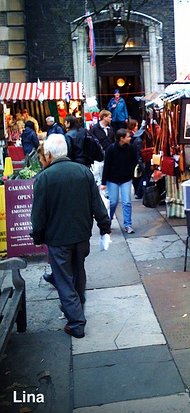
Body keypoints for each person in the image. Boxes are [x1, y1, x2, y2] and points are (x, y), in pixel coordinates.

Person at [30, 134, 111, 338]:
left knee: (64, 279)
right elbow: (97, 204)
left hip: (58, 238)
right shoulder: (83, 172)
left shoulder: (44, 178)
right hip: (82, 235)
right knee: (78, 273)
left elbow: (38, 214)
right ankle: (76, 308)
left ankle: (76, 322)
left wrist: (37, 236)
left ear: (48, 154)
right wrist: (104, 226)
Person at [101, 128, 137, 233]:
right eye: (128, 136)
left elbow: (134, 160)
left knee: (126, 202)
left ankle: (128, 225)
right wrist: (104, 182)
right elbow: (106, 166)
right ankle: (108, 220)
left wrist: (130, 171)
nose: (130, 138)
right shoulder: (111, 149)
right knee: (113, 202)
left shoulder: (130, 148)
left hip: (126, 178)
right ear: (121, 138)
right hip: (113, 179)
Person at [90, 110, 115, 185]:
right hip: (99, 157)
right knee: (100, 174)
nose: (111, 119)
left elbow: (113, 140)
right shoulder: (94, 129)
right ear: (104, 117)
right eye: (109, 117)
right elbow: (92, 142)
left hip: (109, 155)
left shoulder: (110, 128)